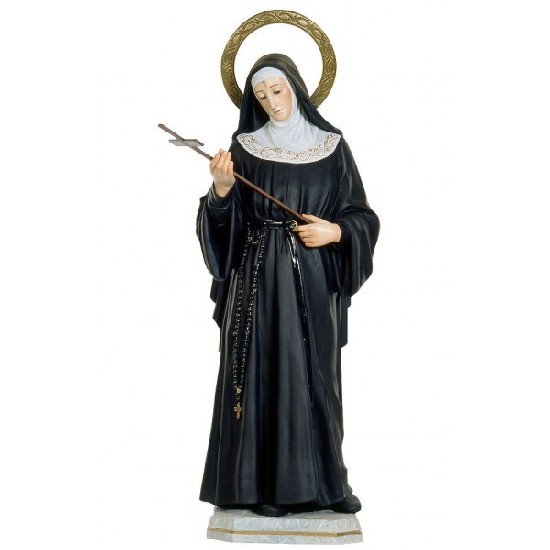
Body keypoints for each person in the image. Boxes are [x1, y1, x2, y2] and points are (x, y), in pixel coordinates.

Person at [196, 53, 380, 517]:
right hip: (258, 279)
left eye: (277, 91)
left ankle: (327, 484)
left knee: (318, 377)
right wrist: (221, 191)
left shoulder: (332, 147)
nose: (272, 103)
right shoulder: (246, 147)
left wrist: (335, 232)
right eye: (261, 96)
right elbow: (225, 222)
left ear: (296, 87)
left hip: (315, 278)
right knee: (264, 373)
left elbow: (361, 214)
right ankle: (265, 488)